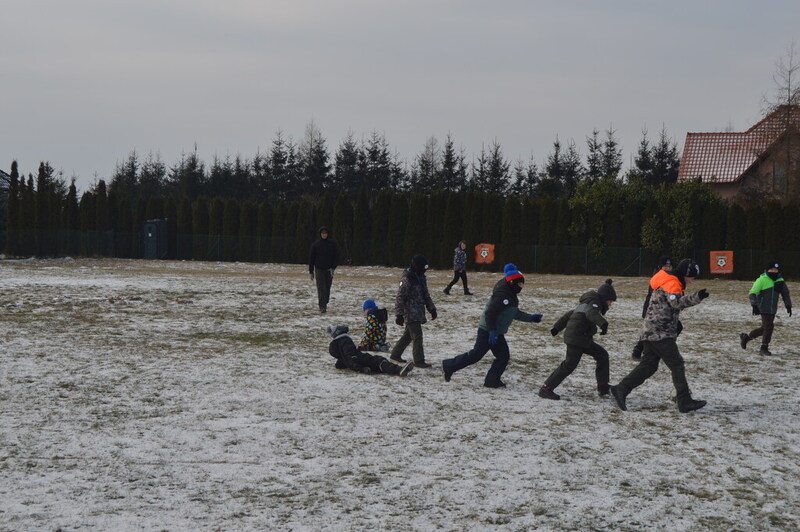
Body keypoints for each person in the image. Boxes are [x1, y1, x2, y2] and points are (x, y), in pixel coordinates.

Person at [610, 259, 710, 413]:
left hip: (652, 330)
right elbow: (676, 303)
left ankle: (621, 389)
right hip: (660, 333)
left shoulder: (668, 280)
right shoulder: (672, 282)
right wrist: (697, 297)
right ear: (685, 274)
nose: (692, 281)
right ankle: (684, 401)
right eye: (691, 277)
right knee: (676, 364)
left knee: (649, 366)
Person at [441, 264, 543, 388]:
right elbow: (490, 313)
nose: (522, 287)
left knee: (503, 356)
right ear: (512, 283)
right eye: (520, 284)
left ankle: (492, 381)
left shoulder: (510, 293)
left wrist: (531, 318)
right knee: (475, 355)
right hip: (488, 330)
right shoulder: (503, 296)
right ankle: (449, 366)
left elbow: (512, 312)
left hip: (496, 331)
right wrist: (492, 331)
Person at [539, 279, 616, 400]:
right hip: (577, 338)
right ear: (604, 298)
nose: (610, 304)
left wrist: (556, 328)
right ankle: (546, 388)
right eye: (610, 300)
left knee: (602, 355)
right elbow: (591, 314)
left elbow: (570, 314)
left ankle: (603, 387)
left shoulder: (586, 302)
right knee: (569, 364)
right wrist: (603, 324)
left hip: (582, 338)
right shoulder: (594, 303)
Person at [390, 254, 437, 368]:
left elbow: (425, 294)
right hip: (410, 312)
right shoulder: (407, 278)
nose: (424, 272)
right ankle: (419, 360)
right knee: (417, 335)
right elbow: (400, 297)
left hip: (417, 311)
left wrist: (432, 309)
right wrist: (399, 315)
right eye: (423, 269)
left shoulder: (421, 278)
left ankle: (395, 354)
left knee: (408, 335)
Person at [740, 260, 792, 356]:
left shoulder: (780, 281)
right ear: (767, 270)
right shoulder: (761, 280)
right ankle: (764, 347)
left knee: (764, 328)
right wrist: (754, 305)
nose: (774, 271)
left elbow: (785, 294)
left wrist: (788, 305)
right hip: (763, 307)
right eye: (772, 269)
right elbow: (752, 293)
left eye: (776, 270)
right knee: (769, 327)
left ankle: (746, 337)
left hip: (772, 308)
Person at [631, 257, 678, 360]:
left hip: (665, 311)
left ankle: (654, 351)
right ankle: (638, 350)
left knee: (675, 327)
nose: (668, 268)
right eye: (665, 266)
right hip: (654, 309)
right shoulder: (658, 278)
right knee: (649, 331)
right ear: (660, 267)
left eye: (670, 266)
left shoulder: (671, 278)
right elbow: (651, 295)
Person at [328, 325, 413, 376]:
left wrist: (341, 364)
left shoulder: (339, 346)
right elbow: (351, 357)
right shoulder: (346, 340)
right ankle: (399, 370)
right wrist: (361, 369)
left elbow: (343, 360)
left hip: (360, 360)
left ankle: (397, 369)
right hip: (362, 359)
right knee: (379, 361)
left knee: (378, 366)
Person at [308, 226, 339, 313]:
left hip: (329, 270)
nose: (324, 235)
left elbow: (336, 256)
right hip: (319, 270)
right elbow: (311, 258)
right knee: (321, 288)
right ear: (320, 234)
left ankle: (325, 302)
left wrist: (333, 267)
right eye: (322, 233)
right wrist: (311, 271)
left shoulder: (332, 244)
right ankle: (322, 307)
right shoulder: (316, 245)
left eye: (325, 233)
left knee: (327, 288)